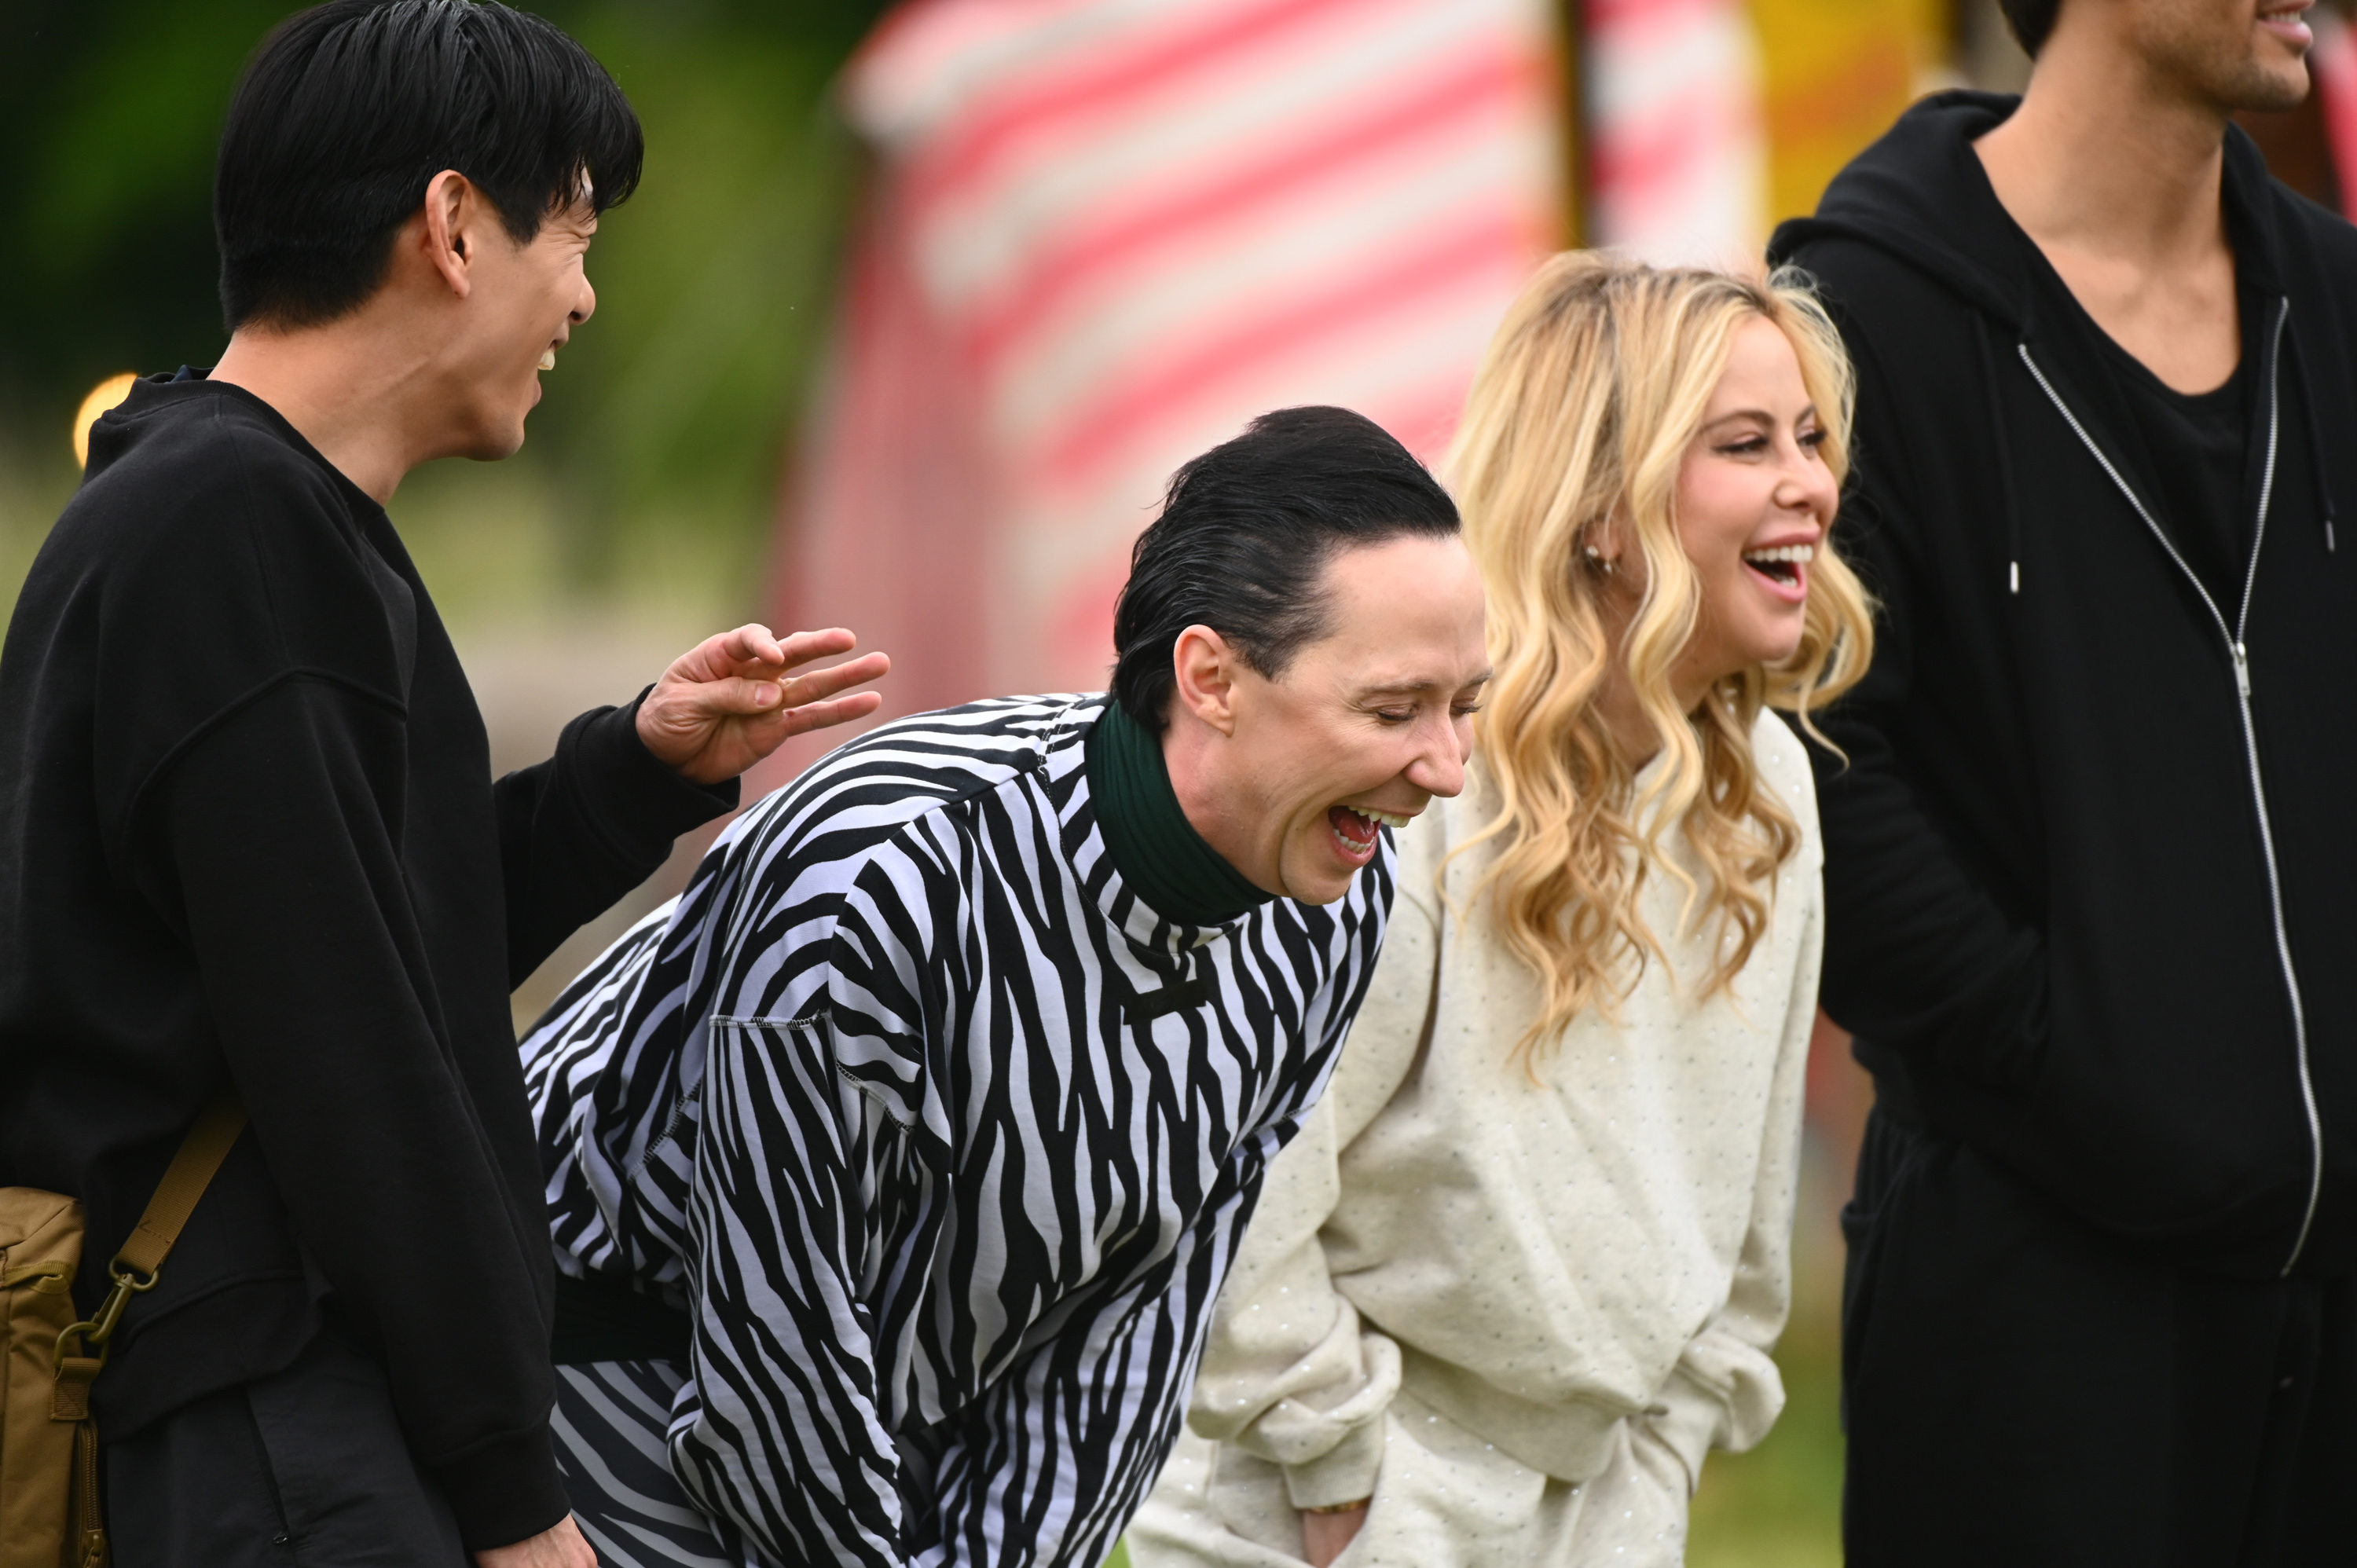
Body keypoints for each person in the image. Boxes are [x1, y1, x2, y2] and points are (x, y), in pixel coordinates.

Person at [0, 5, 887, 1566]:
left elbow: (367, 942)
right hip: (261, 1425)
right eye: (578, 230)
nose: (589, 294)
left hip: (260, 1410)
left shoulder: (236, 516)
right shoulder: (234, 534)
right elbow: (352, 1055)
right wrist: (509, 1489)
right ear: (456, 225)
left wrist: (630, 769)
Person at [518, 406, 1492, 1568]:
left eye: (1463, 708)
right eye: (1393, 711)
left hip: (894, 1437)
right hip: (579, 1424)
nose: (1444, 770)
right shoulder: (885, 873)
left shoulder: (1330, 902)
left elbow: (1137, 1323)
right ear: (1212, 676)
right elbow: (772, 1364)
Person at [1126, 255, 1874, 1568]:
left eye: (1811, 438)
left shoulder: (1769, 792)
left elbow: (1748, 1216)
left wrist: (1660, 1460)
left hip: (1604, 1514)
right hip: (1327, 1518)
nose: (1809, 483)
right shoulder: (1423, 778)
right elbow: (1237, 1182)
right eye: (1747, 443)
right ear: (1602, 508)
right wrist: (1347, 1475)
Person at [1768, 0, 2357, 1559]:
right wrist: (2069, 1063)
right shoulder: (1855, 325)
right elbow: (1812, 753)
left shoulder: (2343, 303)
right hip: (2036, 1313)